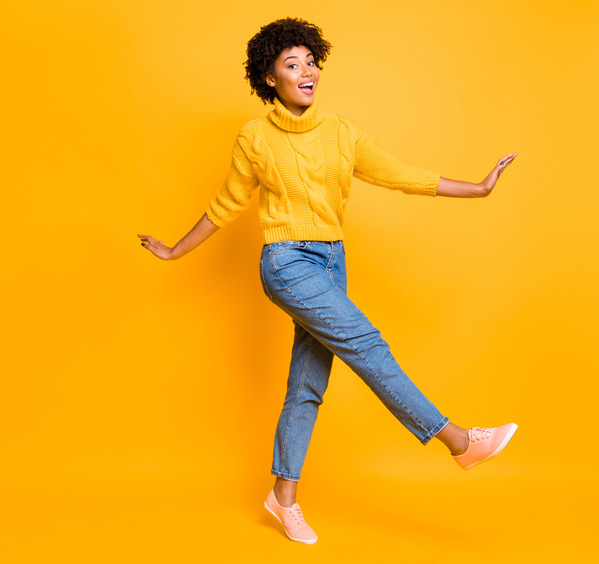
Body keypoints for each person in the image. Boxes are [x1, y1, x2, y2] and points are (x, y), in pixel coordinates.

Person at [137, 18, 518, 545]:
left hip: (331, 263)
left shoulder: (341, 132)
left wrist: (476, 189)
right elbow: (226, 204)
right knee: (366, 344)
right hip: (287, 264)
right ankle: (458, 441)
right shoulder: (254, 138)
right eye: (292, 65)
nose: (306, 71)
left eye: (310, 61)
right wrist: (175, 250)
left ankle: (282, 497)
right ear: (270, 78)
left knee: (307, 387)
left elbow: (399, 174)